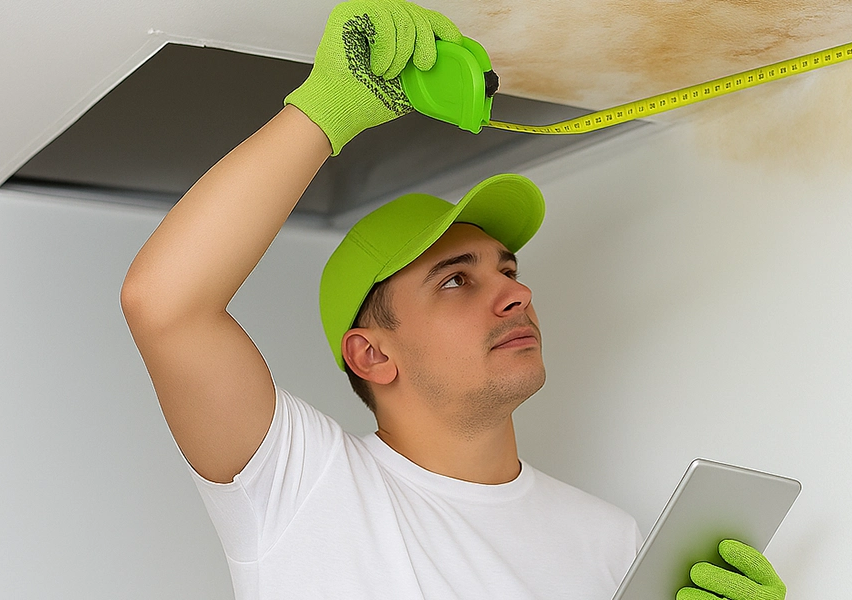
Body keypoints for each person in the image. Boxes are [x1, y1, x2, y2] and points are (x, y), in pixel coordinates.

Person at [119, 1, 787, 598]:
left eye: (507, 269)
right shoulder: (304, 488)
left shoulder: (608, 540)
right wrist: (327, 108)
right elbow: (164, 305)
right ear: (372, 354)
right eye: (456, 280)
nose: (516, 294)